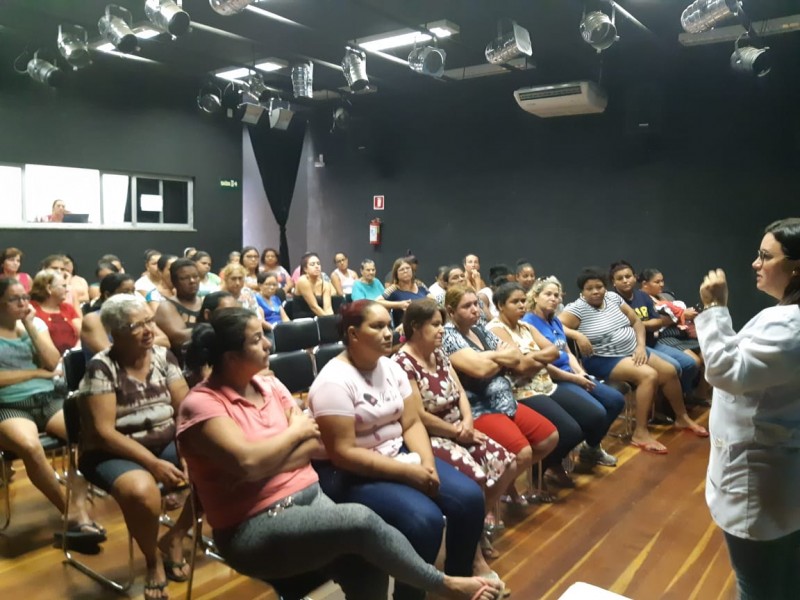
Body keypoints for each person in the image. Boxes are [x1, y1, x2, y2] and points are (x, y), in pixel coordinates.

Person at [178, 307, 501, 600]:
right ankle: (446, 586)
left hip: (313, 499)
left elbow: (307, 445)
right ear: (231, 356)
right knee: (361, 520)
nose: (267, 343)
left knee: (367, 568)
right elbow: (250, 462)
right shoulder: (203, 404)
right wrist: (292, 435)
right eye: (256, 339)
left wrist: (271, 457)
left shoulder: (271, 388)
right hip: (255, 524)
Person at [309, 300, 498, 600]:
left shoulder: (389, 366)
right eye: (377, 326)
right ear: (353, 334)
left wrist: (428, 464)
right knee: (424, 521)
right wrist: (409, 473)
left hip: (397, 453)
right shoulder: (333, 381)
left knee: (470, 499)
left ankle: (459, 582)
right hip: (349, 472)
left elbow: (411, 423)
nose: (388, 333)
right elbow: (343, 453)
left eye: (388, 325)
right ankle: (411, 595)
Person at [695, 218, 800, 600]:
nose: (755, 264)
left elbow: (727, 372)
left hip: (760, 479)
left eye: (765, 256)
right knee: (781, 577)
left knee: (757, 586)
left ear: (796, 267)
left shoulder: (790, 326)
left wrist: (715, 309)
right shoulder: (784, 318)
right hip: (779, 468)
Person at [78, 294, 193, 599]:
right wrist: (154, 464)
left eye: (149, 321)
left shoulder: (163, 357)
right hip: (112, 451)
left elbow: (185, 410)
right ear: (115, 333)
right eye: (136, 325)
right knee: (143, 492)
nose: (148, 329)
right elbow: (104, 433)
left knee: (217, 463)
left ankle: (175, 537)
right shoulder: (102, 367)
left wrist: (189, 450)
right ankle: (152, 560)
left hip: (164, 439)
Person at [395, 298, 517, 562]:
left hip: (461, 427)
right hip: (431, 436)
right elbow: (418, 416)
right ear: (416, 327)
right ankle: (473, 550)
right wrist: (457, 432)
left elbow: (460, 392)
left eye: (442, 324)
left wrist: (468, 422)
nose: (442, 330)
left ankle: (475, 525)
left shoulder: (438, 353)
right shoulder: (402, 363)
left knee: (508, 463)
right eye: (436, 325)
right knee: (475, 478)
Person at [558, 268, 708, 455]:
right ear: (582, 291)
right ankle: (640, 432)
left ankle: (681, 417)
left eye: (599, 287)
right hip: (605, 359)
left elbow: (636, 321)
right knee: (649, 375)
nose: (596, 291)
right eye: (590, 288)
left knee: (669, 371)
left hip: (633, 350)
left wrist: (640, 346)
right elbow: (556, 326)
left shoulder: (613, 298)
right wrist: (577, 335)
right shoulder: (576, 309)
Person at [0, 278, 102, 547]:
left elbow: (52, 361)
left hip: (47, 399)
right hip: (9, 405)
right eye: (15, 299)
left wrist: (30, 326)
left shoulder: (33, 325)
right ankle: (69, 512)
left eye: (25, 297)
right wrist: (35, 373)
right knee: (29, 446)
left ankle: (78, 508)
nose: (24, 303)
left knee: (86, 436)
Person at [442, 285, 558, 503]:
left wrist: (489, 358)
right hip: (478, 408)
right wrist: (497, 356)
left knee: (549, 438)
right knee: (523, 453)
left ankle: (506, 484)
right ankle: (488, 500)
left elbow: (516, 357)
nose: (475, 310)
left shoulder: (481, 329)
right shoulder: (450, 337)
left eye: (476, 304)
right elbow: (479, 370)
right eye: (467, 306)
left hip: (505, 400)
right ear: (451, 310)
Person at [523, 277, 626, 466]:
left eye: (556, 295)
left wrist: (581, 373)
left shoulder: (554, 320)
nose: (553, 299)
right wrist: (575, 379)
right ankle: (559, 458)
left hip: (572, 374)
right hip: (556, 379)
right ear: (535, 296)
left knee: (615, 400)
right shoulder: (529, 323)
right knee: (596, 413)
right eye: (548, 294)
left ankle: (591, 448)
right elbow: (542, 364)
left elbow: (567, 352)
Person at [610, 260, 699, 399]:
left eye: (628, 276)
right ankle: (663, 405)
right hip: (630, 348)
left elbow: (658, 322)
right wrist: (644, 324)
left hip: (653, 343)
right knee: (672, 367)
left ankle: (681, 396)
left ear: (634, 277)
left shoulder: (642, 296)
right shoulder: (612, 301)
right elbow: (621, 328)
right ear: (613, 282)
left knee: (690, 364)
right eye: (620, 278)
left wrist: (638, 323)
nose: (625, 281)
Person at [81, 273, 170, 358]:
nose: (131, 296)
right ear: (107, 295)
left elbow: (165, 341)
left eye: (133, 291)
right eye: (126, 292)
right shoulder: (93, 319)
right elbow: (109, 353)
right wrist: (145, 343)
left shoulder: (139, 315)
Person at [154, 259, 203, 360]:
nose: (192, 281)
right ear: (174, 281)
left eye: (195, 276)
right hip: (179, 365)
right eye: (185, 278)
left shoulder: (205, 302)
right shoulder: (166, 306)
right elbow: (180, 337)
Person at [29, 269, 81, 355]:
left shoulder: (67, 308)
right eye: (63, 286)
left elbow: (81, 334)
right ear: (49, 288)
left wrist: (72, 354)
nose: (67, 290)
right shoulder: (31, 309)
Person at [383, 257, 430, 327]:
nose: (405, 271)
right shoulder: (394, 288)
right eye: (401, 269)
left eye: (408, 268)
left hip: (425, 323)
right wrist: (399, 304)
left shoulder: (420, 284)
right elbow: (377, 301)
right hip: (405, 328)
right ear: (396, 274)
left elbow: (433, 299)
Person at [294, 252, 333, 318]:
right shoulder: (302, 281)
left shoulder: (325, 284)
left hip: (319, 317)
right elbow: (314, 307)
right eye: (312, 264)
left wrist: (331, 319)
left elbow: (328, 308)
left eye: (318, 264)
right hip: (303, 320)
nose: (317, 266)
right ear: (305, 269)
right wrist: (327, 321)